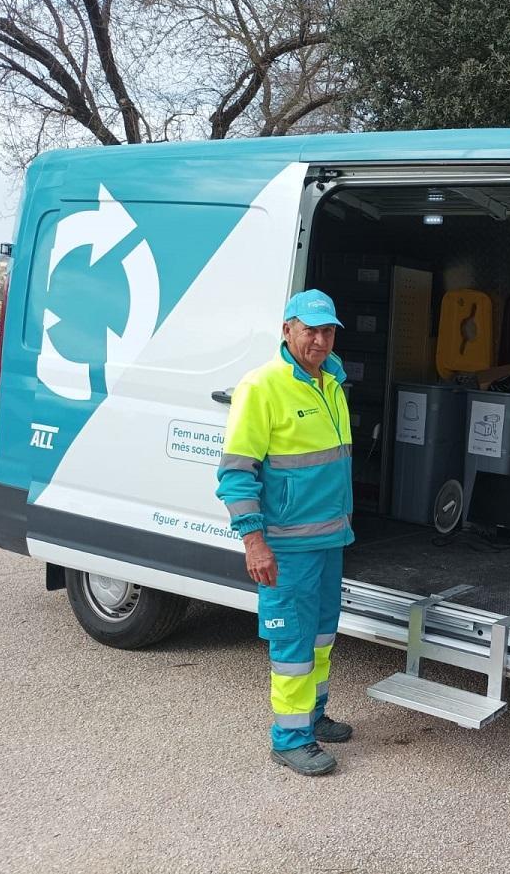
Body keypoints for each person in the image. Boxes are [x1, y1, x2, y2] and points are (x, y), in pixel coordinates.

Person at [216, 289, 355, 776]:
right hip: (287, 547)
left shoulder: (331, 382)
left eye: (328, 330)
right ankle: (290, 738)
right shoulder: (263, 386)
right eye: (310, 330)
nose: (320, 340)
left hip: (329, 539)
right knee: (293, 644)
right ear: (287, 330)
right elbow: (236, 473)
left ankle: (313, 717)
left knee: (320, 637)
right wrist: (254, 541)